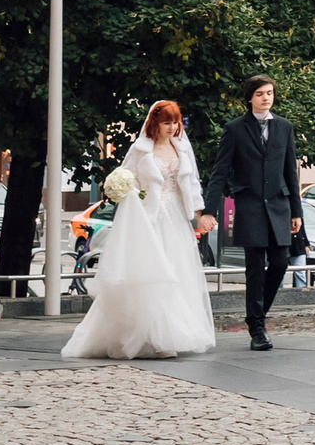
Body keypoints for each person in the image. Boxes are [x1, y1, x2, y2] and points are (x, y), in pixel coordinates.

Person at [62, 100, 216, 360]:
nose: (172, 127)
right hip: (149, 218)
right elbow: (126, 178)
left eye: (175, 122)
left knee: (176, 272)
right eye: (166, 122)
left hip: (176, 217)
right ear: (155, 123)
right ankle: (151, 337)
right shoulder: (140, 149)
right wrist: (129, 193)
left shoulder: (182, 147)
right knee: (152, 272)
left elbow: (191, 183)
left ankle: (170, 333)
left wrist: (199, 214)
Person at [201, 75, 302, 351]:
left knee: (280, 263)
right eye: (260, 94)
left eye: (269, 93)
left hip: (280, 207)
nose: (266, 98)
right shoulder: (234, 129)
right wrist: (209, 210)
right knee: (255, 269)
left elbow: (290, 172)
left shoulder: (284, 127)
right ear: (249, 98)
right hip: (250, 207)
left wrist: (296, 211)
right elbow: (220, 172)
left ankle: (256, 315)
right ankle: (257, 329)